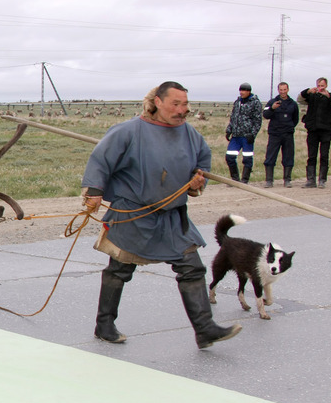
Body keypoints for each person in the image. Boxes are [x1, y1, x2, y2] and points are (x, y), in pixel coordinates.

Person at [81, 81, 242, 349]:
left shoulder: (191, 135)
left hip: (172, 216)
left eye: (185, 104)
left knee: (192, 268)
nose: (182, 110)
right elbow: (101, 160)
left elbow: (201, 166)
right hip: (134, 213)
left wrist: (197, 182)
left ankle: (205, 329)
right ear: (158, 102)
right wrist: (95, 192)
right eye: (176, 104)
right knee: (119, 269)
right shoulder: (129, 131)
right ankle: (104, 324)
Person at [299, 77, 331, 188]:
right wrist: (308, 91)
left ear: (326, 86)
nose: (320, 88)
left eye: (322, 86)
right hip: (312, 130)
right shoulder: (311, 96)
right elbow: (300, 99)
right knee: (311, 156)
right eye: (319, 85)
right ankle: (311, 180)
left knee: (324, 156)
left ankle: (322, 180)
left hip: (326, 130)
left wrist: (328, 97)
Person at [261, 82, 300, 187]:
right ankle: (269, 180)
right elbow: (265, 115)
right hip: (275, 134)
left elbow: (295, 119)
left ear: (288, 90)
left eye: (284, 89)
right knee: (270, 156)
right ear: (278, 90)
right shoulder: (271, 102)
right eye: (281, 90)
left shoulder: (293, 104)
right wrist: (272, 108)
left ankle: (287, 180)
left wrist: (289, 126)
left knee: (288, 156)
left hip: (288, 134)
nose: (283, 92)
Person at [224, 82, 262, 183]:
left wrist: (253, 134)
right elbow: (233, 117)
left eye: (244, 90)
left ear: (249, 91)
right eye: (240, 90)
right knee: (229, 157)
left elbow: (258, 120)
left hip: (247, 136)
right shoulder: (237, 102)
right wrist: (229, 130)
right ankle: (235, 179)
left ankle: (245, 180)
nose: (241, 92)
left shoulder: (255, 102)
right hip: (236, 136)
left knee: (247, 158)